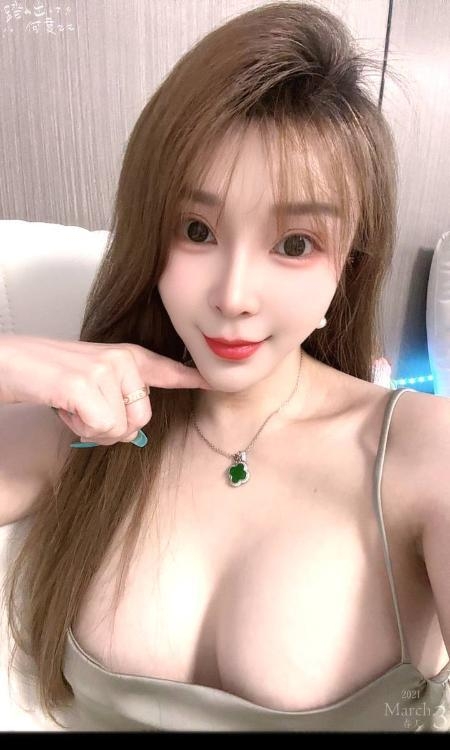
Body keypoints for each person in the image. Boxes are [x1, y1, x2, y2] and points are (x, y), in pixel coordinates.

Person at [1, 0, 449, 733]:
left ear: (349, 263)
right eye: (198, 229)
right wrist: (8, 362)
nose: (233, 296)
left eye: (295, 243)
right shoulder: (95, 430)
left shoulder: (425, 455)